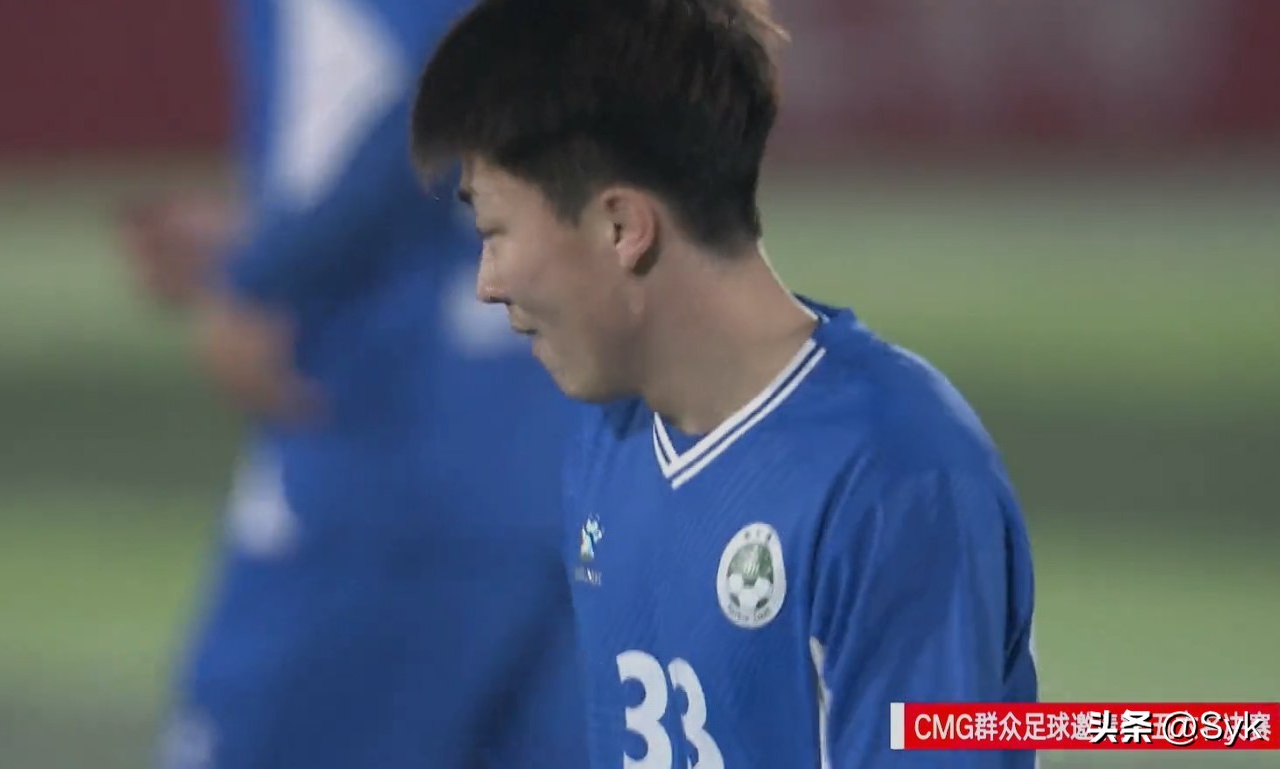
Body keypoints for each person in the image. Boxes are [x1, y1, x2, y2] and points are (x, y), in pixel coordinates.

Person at [407, 0, 1039, 766]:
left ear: (620, 227)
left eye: (494, 233)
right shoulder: (608, 438)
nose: (487, 283)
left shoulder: (895, 476)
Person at [119, 0, 587, 767]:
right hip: (558, 466)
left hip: (384, 469)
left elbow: (453, 73)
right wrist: (272, 235)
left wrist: (268, 276)